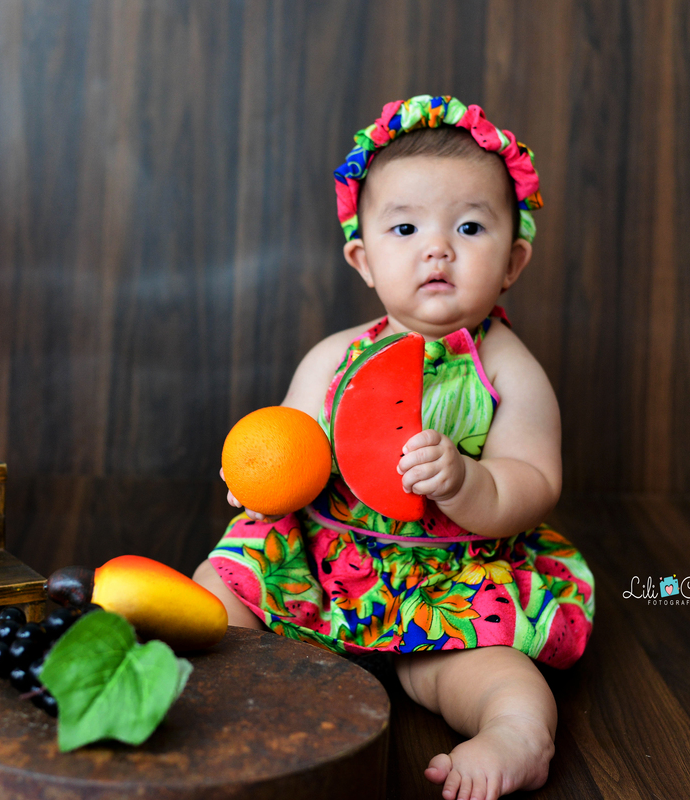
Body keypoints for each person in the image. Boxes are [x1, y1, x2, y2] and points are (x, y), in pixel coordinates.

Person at [193, 95, 595, 800]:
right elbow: (292, 443)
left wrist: (468, 483)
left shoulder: (507, 370)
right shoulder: (335, 357)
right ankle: (215, 685)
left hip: (447, 581)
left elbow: (534, 480)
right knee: (219, 585)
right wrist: (258, 482)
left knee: (493, 669)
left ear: (513, 260)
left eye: (470, 227)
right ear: (364, 258)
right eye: (405, 227)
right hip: (322, 563)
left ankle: (516, 734)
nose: (437, 248)